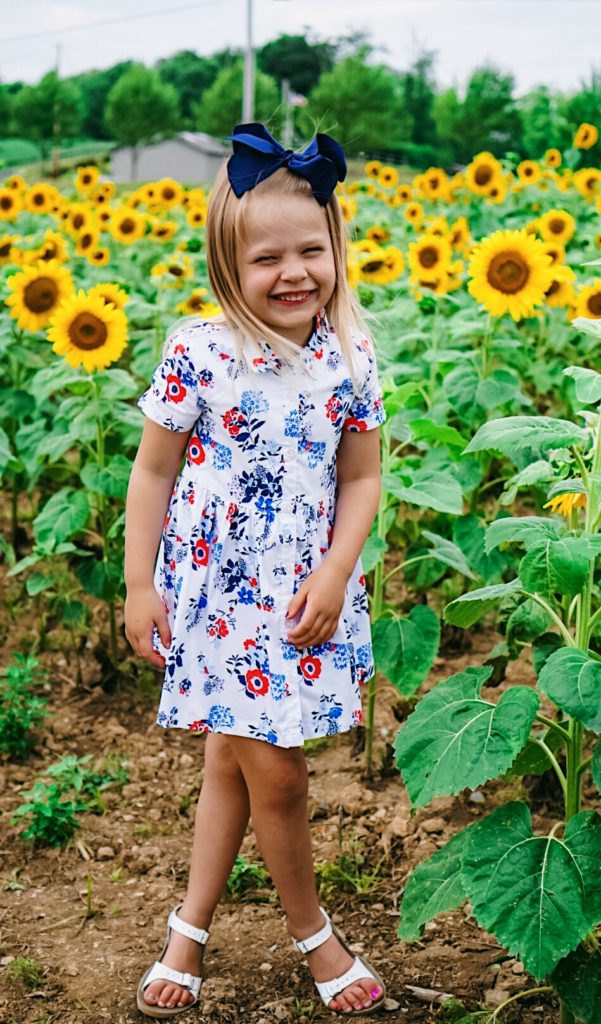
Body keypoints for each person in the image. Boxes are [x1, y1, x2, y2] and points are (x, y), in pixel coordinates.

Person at [124, 122, 387, 1018]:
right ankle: (315, 934)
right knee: (277, 773)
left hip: (303, 596)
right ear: (227, 268)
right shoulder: (200, 349)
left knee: (232, 767)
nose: (293, 273)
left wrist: (339, 570)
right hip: (211, 598)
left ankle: (188, 928)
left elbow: (363, 476)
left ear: (337, 249)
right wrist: (137, 584)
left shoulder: (351, 356)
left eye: (311, 249)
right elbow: (154, 470)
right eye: (266, 258)